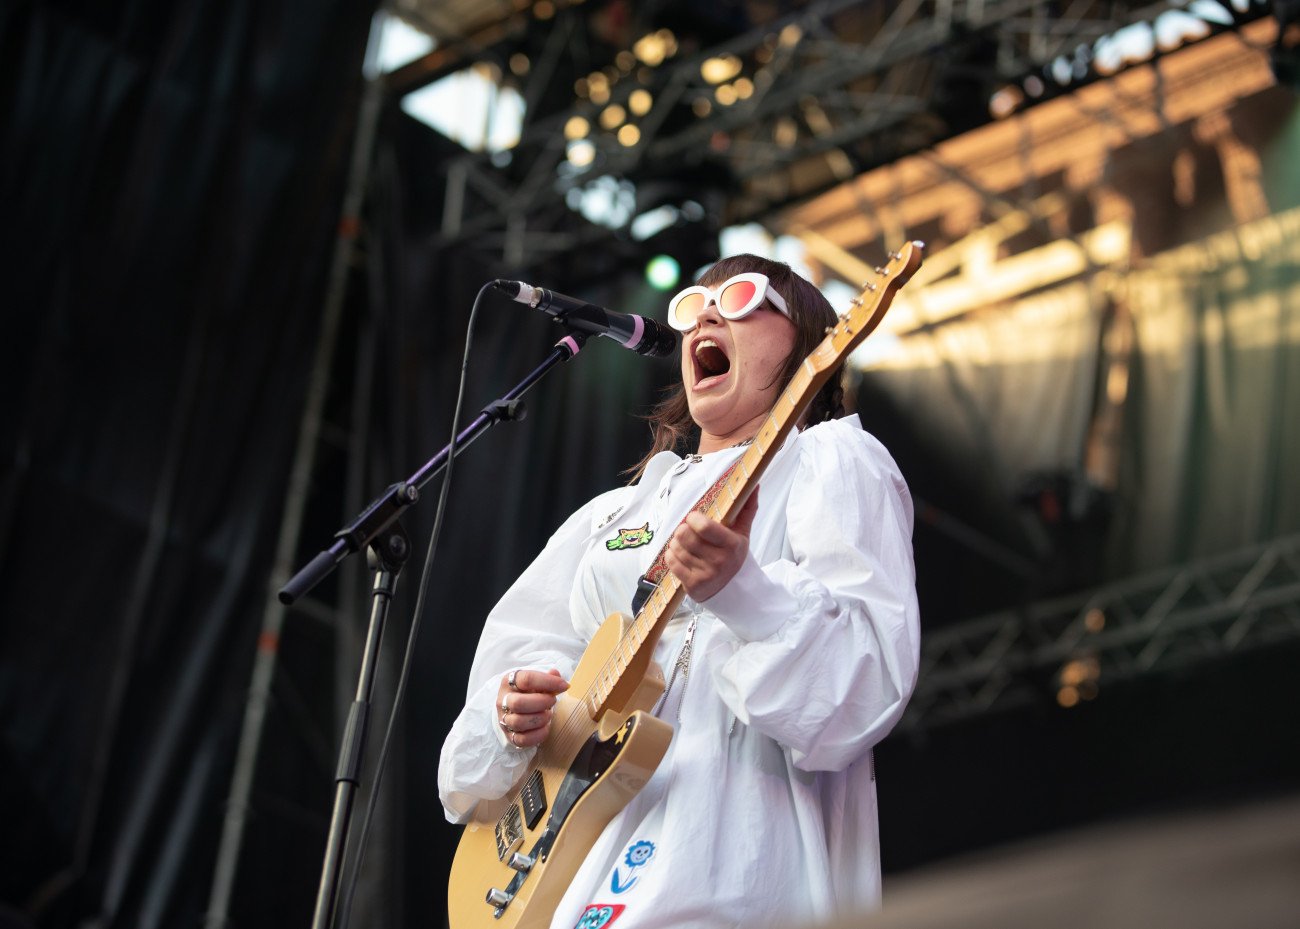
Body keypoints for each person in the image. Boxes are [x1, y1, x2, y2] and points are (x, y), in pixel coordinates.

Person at [438, 254, 921, 929]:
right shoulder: (610, 516)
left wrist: (742, 589)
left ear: (809, 343)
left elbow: (863, 688)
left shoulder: (833, 461)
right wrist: (507, 712)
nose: (710, 314)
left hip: (731, 873)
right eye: (695, 304)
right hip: (574, 878)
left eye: (743, 297)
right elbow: (480, 742)